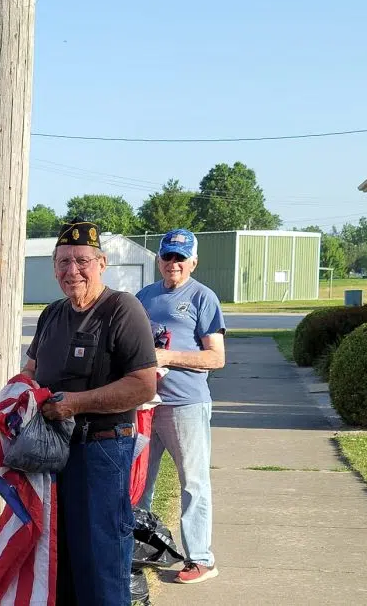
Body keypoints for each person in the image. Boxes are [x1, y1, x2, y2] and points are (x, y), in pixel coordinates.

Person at [22, 218, 158, 605]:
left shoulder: (122, 309)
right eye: (63, 262)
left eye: (81, 260)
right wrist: (15, 396)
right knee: (58, 558)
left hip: (102, 453)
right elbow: (30, 370)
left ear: (102, 263)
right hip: (53, 456)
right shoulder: (52, 313)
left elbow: (143, 385)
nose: (72, 271)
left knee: (102, 563)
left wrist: (76, 404)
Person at [135, 229, 225, 584]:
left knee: (194, 483)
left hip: (184, 404)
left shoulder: (203, 297)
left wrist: (169, 356)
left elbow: (217, 358)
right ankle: (138, 548)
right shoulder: (144, 297)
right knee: (139, 480)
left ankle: (201, 559)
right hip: (144, 404)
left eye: (180, 258)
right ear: (159, 260)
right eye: (167, 257)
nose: (173, 263)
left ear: (193, 262)